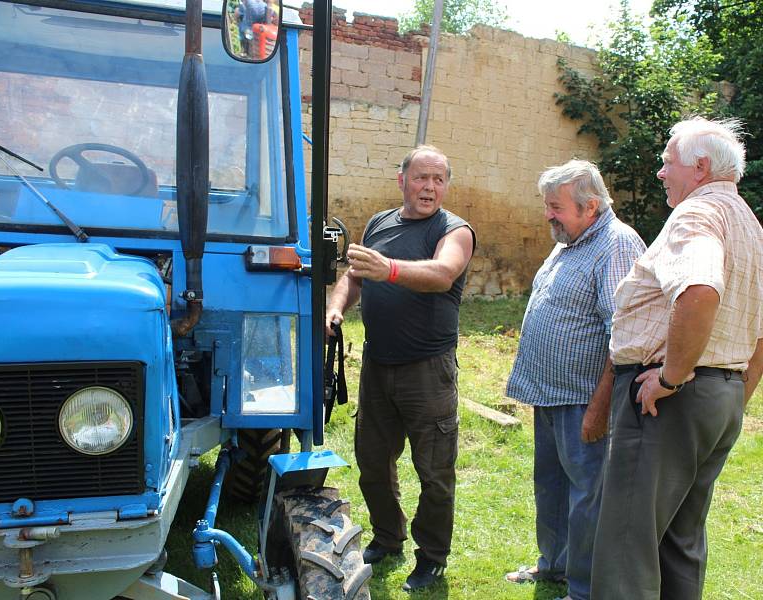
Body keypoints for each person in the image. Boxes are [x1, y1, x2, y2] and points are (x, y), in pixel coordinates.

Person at [591, 117, 763, 600]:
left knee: (628, 550)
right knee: (679, 545)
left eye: (668, 163)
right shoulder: (749, 224)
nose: (661, 173)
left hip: (666, 400)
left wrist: (671, 377)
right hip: (717, 399)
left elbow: (700, 288)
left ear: (701, 167)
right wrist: (736, 391)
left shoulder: (697, 216)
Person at [325, 145, 475, 592]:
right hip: (378, 364)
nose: (429, 187)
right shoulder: (380, 222)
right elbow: (353, 275)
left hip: (428, 370)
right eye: (421, 178)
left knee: (434, 472)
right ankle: (388, 538)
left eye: (438, 180)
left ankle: (431, 558)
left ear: (446, 185)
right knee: (372, 462)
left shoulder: (455, 230)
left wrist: (387, 268)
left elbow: (442, 274)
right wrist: (335, 309)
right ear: (402, 180)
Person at [503, 160, 646, 600]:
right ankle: (554, 565)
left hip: (585, 400)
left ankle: (582, 589)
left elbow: (621, 335)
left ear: (590, 207)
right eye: (547, 205)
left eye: (555, 207)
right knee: (550, 485)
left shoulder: (617, 245)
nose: (548, 214)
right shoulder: (572, 239)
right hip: (550, 395)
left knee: (588, 497)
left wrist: (600, 408)